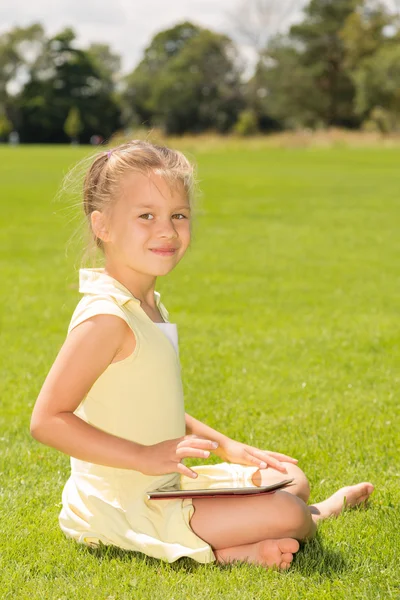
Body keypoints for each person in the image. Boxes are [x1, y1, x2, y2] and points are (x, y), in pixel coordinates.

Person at [30, 140, 374, 570]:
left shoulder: (147, 307)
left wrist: (227, 446)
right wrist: (141, 457)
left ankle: (261, 535)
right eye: (146, 216)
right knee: (289, 511)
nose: (167, 231)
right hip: (125, 500)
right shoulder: (107, 319)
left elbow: (150, 405)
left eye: (178, 215)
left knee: (292, 481)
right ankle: (269, 538)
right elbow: (47, 420)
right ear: (103, 225)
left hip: (165, 481)